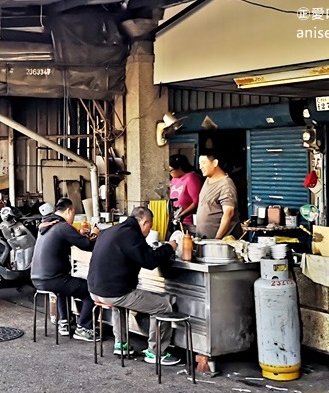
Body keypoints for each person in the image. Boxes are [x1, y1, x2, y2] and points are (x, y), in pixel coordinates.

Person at [87, 206, 182, 366]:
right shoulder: (131, 235)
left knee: (119, 304)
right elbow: (150, 261)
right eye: (150, 226)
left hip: (94, 290)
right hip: (112, 292)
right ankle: (156, 352)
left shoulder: (112, 230)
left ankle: (121, 344)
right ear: (145, 222)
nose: (149, 230)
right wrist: (169, 247)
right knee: (163, 306)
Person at [30, 198, 99, 341]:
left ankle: (64, 323)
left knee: (64, 287)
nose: (73, 218)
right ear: (69, 210)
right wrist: (95, 234)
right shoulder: (63, 226)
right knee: (92, 290)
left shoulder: (47, 225)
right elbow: (87, 245)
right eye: (73, 213)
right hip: (53, 279)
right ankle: (84, 328)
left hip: (37, 278)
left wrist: (80, 234)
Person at [197, 150, 239, 240]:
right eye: (199, 164)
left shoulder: (226, 185)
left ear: (215, 163)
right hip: (205, 240)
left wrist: (217, 239)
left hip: (218, 243)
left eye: (203, 163)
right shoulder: (208, 180)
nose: (200, 167)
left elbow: (229, 213)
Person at [167, 153, 204, 235]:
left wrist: (182, 215)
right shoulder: (174, 179)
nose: (170, 173)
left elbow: (196, 202)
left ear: (179, 167)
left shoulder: (191, 177)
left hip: (187, 222)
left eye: (171, 170)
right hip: (174, 221)